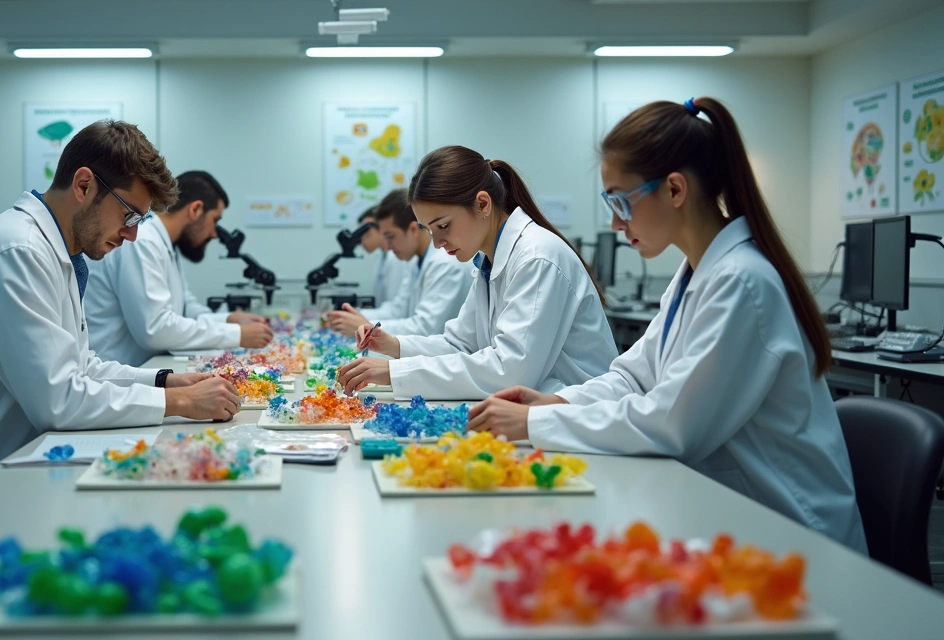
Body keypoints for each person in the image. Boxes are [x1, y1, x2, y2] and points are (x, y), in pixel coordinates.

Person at [466, 98, 866, 553]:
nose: (616, 223)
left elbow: (673, 425)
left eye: (621, 201)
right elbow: (634, 375)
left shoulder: (741, 281)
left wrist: (538, 422)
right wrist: (554, 401)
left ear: (675, 190)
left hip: (795, 537)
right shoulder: (697, 272)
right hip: (727, 511)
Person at [0, 121, 240, 530]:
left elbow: (81, 366)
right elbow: (59, 400)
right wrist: (181, 404)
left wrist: (166, 381)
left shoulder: (57, 252)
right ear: (84, 185)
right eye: (129, 214)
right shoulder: (17, 251)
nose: (133, 235)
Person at [337, 146, 618, 400]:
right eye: (429, 231)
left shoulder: (537, 257)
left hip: (581, 413)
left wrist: (393, 372)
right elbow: (460, 344)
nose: (437, 243)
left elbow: (509, 370)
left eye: (443, 226)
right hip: (539, 412)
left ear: (483, 204)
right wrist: (395, 345)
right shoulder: (488, 261)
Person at [85, 170, 272, 366]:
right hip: (115, 379)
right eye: (215, 220)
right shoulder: (143, 243)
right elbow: (155, 330)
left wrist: (229, 319)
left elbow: (185, 307)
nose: (216, 234)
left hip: (147, 369)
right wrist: (237, 335)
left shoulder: (166, 245)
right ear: (195, 210)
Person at [327, 189, 471, 337]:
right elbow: (398, 309)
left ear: (413, 229)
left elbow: (425, 328)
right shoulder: (415, 261)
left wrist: (368, 327)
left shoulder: (445, 263)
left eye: (390, 237)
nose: (387, 247)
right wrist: (355, 318)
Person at [357, 206, 415, 307]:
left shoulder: (396, 258)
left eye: (367, 233)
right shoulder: (382, 257)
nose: (362, 239)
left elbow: (394, 304)